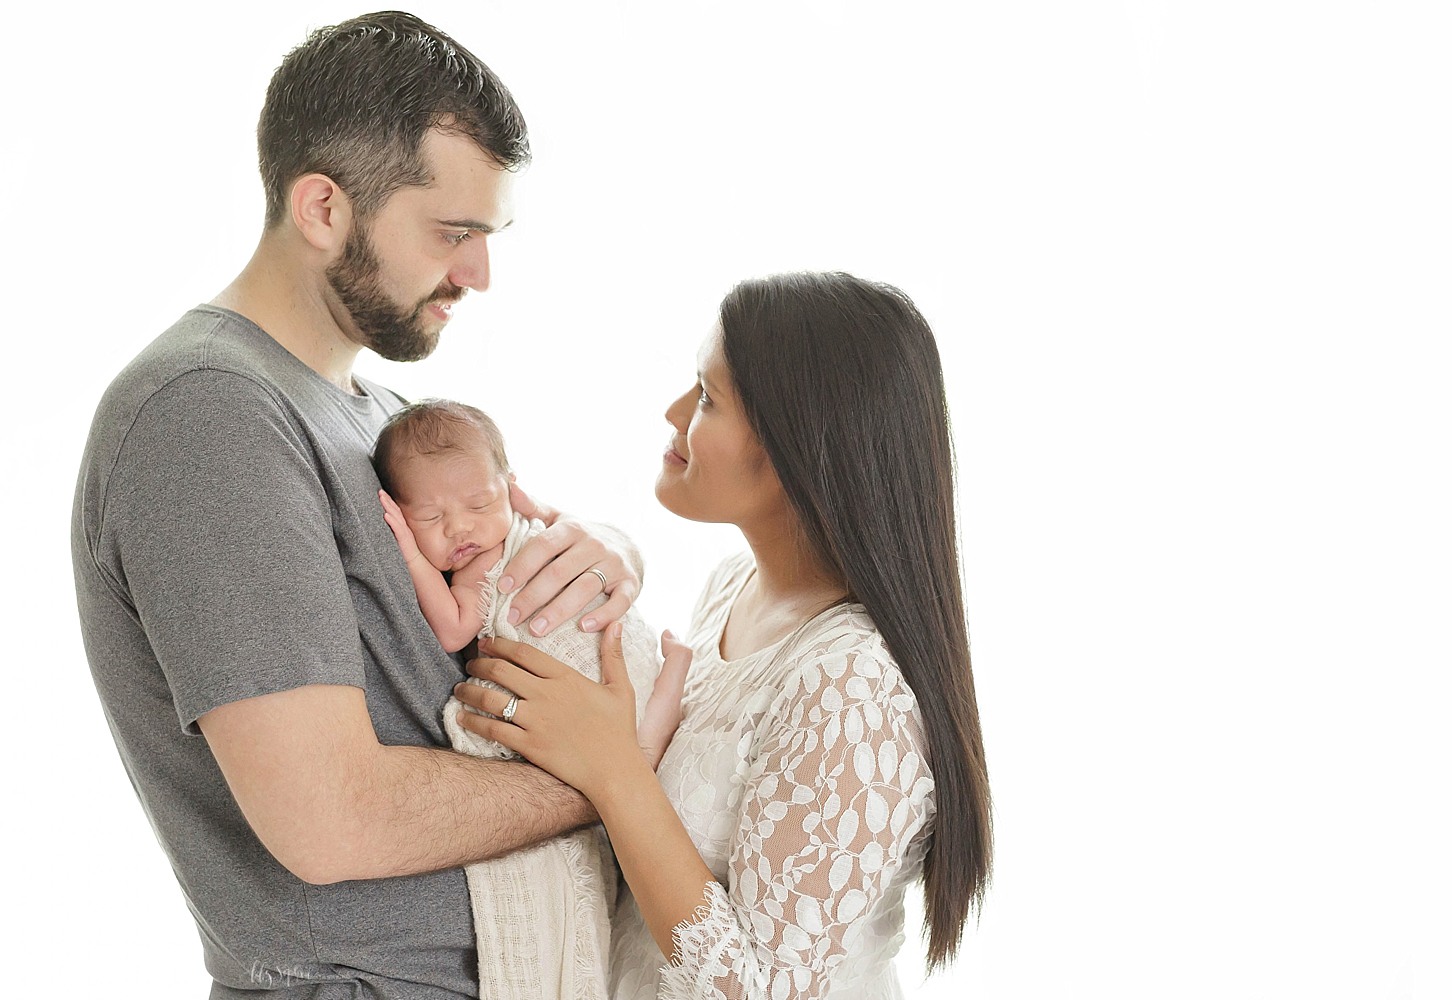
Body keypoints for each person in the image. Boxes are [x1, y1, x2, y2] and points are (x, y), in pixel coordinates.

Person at [71, 12, 656, 999]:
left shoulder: (381, 419)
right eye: (453, 232)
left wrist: (604, 553)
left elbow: (492, 590)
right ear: (323, 209)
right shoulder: (210, 414)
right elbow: (332, 817)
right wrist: (612, 774)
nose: (478, 274)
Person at [452, 271, 995, 998]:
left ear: (800, 447)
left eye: (707, 398)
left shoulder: (853, 685)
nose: (673, 411)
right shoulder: (732, 587)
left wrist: (612, 770)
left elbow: (763, 989)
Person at [370, 398, 689, 1000]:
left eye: (478, 506)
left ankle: (664, 684)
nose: (459, 529)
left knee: (623, 657)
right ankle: (666, 687)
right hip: (589, 699)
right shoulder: (479, 554)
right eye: (428, 519)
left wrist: (415, 553)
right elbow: (457, 626)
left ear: (511, 490)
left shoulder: (512, 546)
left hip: (585, 653)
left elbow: (454, 631)